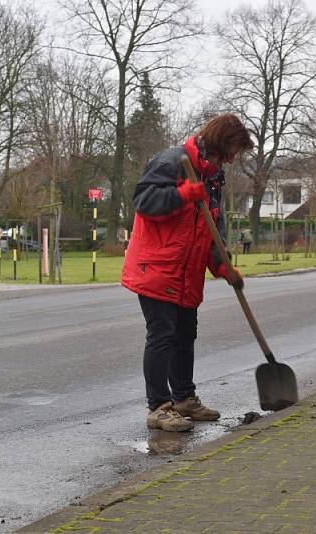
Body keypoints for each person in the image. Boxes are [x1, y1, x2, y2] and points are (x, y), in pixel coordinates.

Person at [122, 114, 254, 433]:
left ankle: (183, 399)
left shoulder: (213, 178)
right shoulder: (170, 162)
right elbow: (143, 202)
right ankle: (159, 407)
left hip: (187, 272)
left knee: (185, 334)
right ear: (217, 144)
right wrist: (182, 194)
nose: (232, 159)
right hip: (157, 267)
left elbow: (212, 225)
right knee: (162, 335)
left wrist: (222, 264)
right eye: (230, 151)